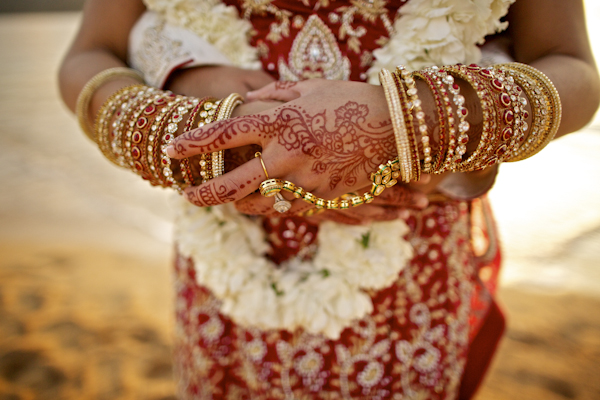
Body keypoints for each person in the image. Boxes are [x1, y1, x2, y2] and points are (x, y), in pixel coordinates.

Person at [59, 0, 599, 398]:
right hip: (226, 260)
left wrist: (415, 122)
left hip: (411, 267)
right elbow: (91, 52)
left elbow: (570, 65)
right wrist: (185, 126)